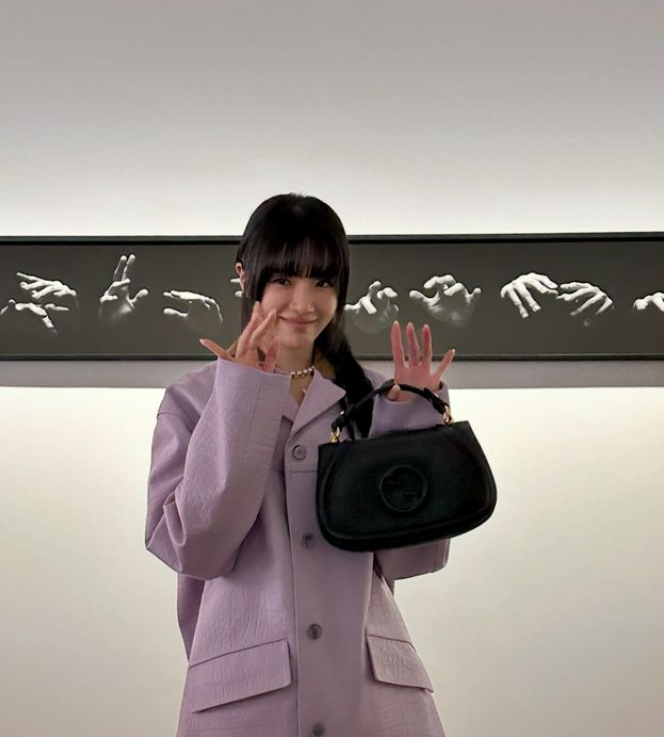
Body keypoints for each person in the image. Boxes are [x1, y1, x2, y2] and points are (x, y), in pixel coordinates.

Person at [144, 193, 456, 737]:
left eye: (323, 281)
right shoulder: (193, 401)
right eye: (284, 278)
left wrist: (411, 429)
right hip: (246, 703)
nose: (304, 302)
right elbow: (197, 549)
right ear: (245, 276)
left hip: (372, 701)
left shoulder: (378, 398)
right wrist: (243, 400)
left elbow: (412, 558)